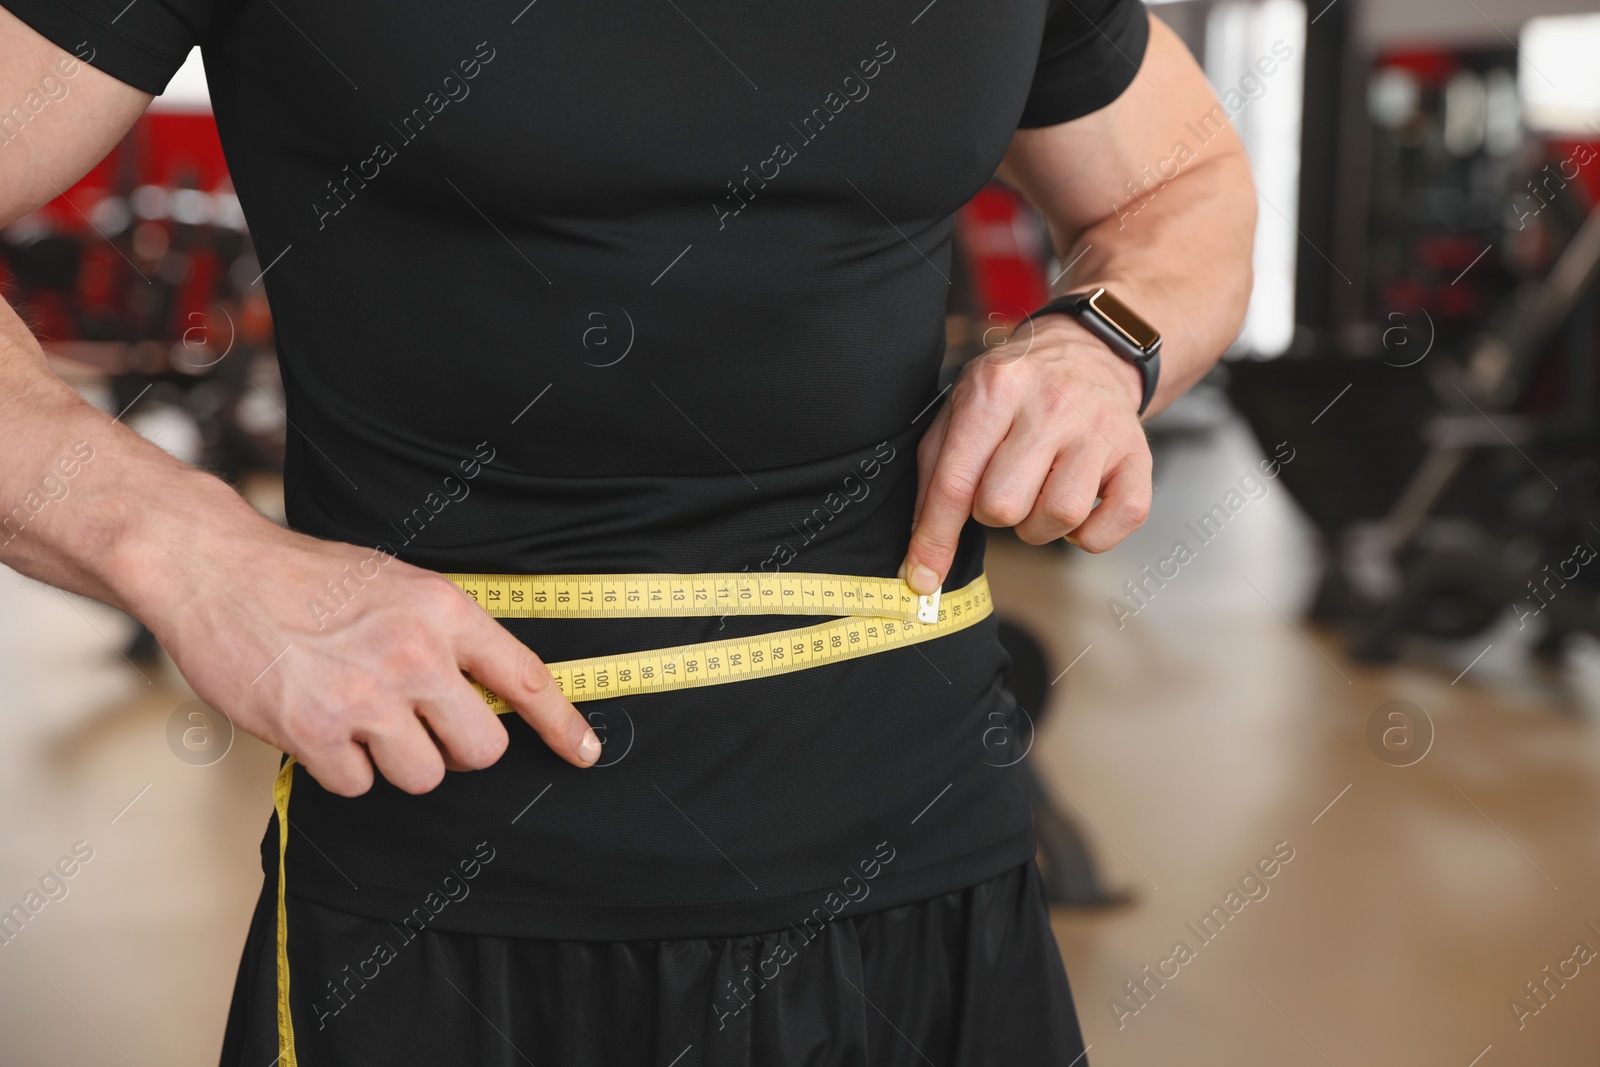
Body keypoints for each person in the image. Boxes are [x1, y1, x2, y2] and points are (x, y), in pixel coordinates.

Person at [0, 1, 1254, 1063]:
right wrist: (187, 549)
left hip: (927, 853)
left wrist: (1102, 340)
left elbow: (1182, 178)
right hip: (455, 870)